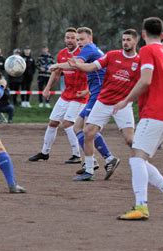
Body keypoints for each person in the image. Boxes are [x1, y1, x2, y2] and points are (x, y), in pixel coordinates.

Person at [113, 17, 163, 221]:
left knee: (136, 158)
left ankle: (141, 207)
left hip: (155, 112)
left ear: (143, 34)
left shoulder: (147, 51)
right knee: (140, 158)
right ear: (162, 35)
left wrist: (125, 100)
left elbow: (146, 80)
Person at [49, 27, 120, 181]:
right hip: (96, 93)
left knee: (87, 129)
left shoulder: (89, 49)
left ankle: (94, 165)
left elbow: (76, 64)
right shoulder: (93, 50)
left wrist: (57, 66)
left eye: (82, 39)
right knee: (77, 127)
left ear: (90, 38)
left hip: (99, 96)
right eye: (78, 40)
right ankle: (104, 160)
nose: (79, 42)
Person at [68, 29, 139, 181]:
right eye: (123, 40)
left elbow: (143, 84)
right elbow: (92, 67)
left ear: (135, 41)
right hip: (103, 101)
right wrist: (78, 65)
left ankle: (143, 166)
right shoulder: (112, 55)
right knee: (88, 132)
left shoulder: (139, 62)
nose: (125, 42)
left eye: (128, 40)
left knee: (130, 140)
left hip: (123, 104)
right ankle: (89, 170)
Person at [28, 27, 88, 164]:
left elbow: (91, 72)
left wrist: (88, 90)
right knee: (53, 122)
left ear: (77, 40)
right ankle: (44, 153)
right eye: (68, 37)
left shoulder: (83, 53)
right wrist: (47, 88)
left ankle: (76, 155)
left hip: (80, 95)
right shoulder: (61, 54)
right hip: (67, 94)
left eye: (73, 38)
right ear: (64, 39)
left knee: (68, 123)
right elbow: (56, 72)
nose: (70, 40)